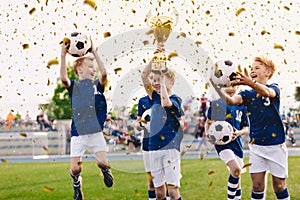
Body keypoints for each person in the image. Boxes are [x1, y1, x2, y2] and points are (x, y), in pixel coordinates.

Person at [211, 56, 290, 200]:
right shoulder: (246, 94)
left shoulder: (274, 88)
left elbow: (267, 93)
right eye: (251, 68)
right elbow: (231, 100)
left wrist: (250, 82)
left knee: (279, 185)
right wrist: (216, 86)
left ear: (268, 72)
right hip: (257, 146)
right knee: (257, 186)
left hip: (276, 145)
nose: (252, 70)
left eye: (257, 68)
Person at [61, 37, 113, 200]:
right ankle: (77, 184)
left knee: (102, 163)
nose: (93, 70)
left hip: (96, 132)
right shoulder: (74, 87)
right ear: (79, 70)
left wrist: (94, 51)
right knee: (76, 169)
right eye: (89, 67)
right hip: (78, 133)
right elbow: (63, 78)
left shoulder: (97, 86)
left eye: (93, 67)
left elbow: (104, 73)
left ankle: (105, 171)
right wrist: (62, 55)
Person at [141, 54, 184, 200]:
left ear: (171, 81)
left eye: (161, 80)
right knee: (159, 193)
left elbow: (166, 103)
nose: (157, 83)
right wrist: (153, 59)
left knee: (172, 192)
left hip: (170, 148)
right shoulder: (153, 98)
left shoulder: (175, 99)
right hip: (153, 148)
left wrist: (163, 84)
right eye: (155, 80)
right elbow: (143, 76)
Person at [205, 84, 249, 200]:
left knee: (237, 176)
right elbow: (208, 122)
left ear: (238, 87)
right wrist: (207, 134)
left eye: (234, 86)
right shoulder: (216, 104)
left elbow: (246, 128)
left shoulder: (242, 105)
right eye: (226, 86)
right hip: (222, 145)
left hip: (237, 145)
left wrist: (239, 132)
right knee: (236, 170)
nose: (230, 89)